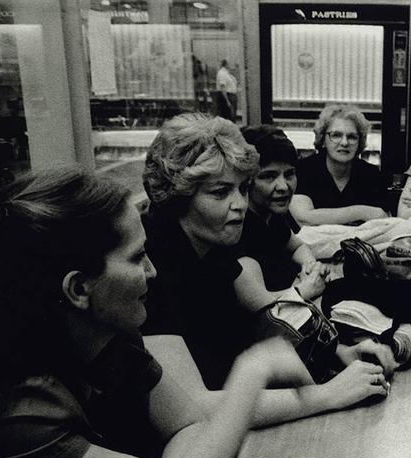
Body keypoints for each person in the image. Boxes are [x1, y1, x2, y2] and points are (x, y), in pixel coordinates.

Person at [0, 167, 393, 458]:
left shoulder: (111, 338)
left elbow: (186, 425)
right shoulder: (16, 403)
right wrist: (252, 373)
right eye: (135, 259)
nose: (152, 271)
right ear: (78, 288)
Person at [142, 113, 395, 423]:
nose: (240, 204)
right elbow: (192, 407)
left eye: (243, 189)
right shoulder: (149, 267)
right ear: (177, 197)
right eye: (221, 193)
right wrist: (327, 395)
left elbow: (246, 339)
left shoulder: (213, 250)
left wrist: (341, 352)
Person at [239, 124, 329, 296]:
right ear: (246, 181)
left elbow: (296, 246)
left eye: (289, 174)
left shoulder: (272, 213)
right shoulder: (236, 226)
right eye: (269, 176)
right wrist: (305, 290)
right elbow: (254, 304)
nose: (283, 186)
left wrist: (310, 266)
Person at [291, 104, 390, 225]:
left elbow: (383, 219)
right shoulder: (304, 170)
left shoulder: (371, 175)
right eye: (336, 135)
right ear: (322, 139)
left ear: (360, 142)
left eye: (352, 137)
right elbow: (304, 218)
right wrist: (362, 212)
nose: (344, 143)